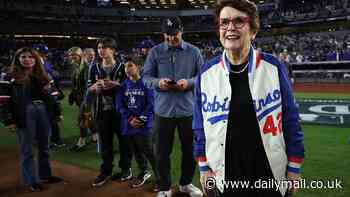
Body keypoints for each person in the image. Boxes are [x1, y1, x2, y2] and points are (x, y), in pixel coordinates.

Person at [192, 1, 305, 197]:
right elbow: (199, 125)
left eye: (238, 21)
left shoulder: (273, 67)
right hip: (224, 174)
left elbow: (291, 119)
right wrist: (203, 166)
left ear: (253, 30)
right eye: (224, 22)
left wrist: (294, 167)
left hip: (269, 173)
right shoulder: (206, 73)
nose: (230, 28)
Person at [143, 16, 204, 197]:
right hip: (163, 111)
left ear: (181, 31)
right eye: (167, 35)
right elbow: (146, 78)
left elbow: (202, 77)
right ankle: (164, 187)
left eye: (174, 35)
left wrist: (189, 83)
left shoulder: (194, 52)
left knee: (190, 150)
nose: (171, 39)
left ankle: (186, 183)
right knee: (161, 152)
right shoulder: (155, 52)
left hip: (188, 109)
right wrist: (158, 82)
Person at [0, 47, 63, 192]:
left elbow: (54, 96)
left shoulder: (43, 74)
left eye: (31, 57)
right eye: (23, 57)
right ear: (18, 59)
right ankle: (30, 181)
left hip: (43, 112)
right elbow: (3, 100)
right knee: (27, 149)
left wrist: (57, 113)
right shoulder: (9, 75)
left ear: (36, 59)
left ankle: (45, 175)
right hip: (24, 113)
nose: (27, 59)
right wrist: (8, 121)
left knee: (45, 147)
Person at [87, 37, 133, 187]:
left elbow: (132, 87)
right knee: (106, 144)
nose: (101, 50)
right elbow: (89, 88)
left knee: (124, 143)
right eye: (99, 47)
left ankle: (126, 169)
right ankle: (105, 171)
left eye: (104, 47)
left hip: (121, 112)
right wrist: (96, 87)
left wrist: (117, 84)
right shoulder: (94, 67)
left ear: (113, 50)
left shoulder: (122, 67)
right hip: (102, 111)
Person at [116, 55, 160, 190]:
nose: (127, 69)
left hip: (144, 126)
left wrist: (140, 119)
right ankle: (144, 172)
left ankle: (161, 178)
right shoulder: (123, 85)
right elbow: (120, 105)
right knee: (136, 151)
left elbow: (152, 105)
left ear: (138, 67)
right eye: (125, 66)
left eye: (130, 65)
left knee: (150, 152)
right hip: (128, 125)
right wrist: (130, 119)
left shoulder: (146, 83)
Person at [66, 47, 94, 151]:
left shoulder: (85, 67)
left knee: (82, 119)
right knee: (88, 118)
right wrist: (72, 94)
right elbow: (75, 84)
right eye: (71, 55)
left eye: (74, 55)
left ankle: (81, 142)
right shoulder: (76, 66)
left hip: (86, 98)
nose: (72, 57)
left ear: (80, 55)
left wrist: (86, 101)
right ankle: (95, 136)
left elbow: (88, 85)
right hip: (79, 97)